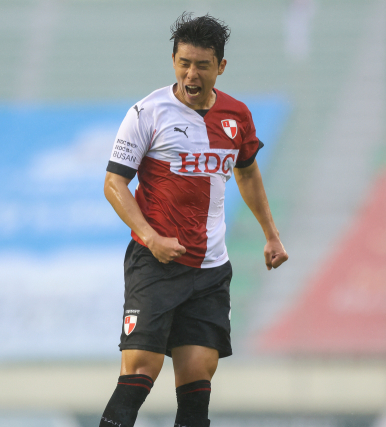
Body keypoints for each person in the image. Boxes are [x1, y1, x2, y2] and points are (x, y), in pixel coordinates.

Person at [101, 12, 288, 427]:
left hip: (210, 269)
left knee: (197, 378)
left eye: (202, 65)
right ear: (173, 61)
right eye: (184, 63)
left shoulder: (237, 116)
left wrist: (271, 235)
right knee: (141, 369)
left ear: (220, 67)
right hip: (156, 263)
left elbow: (247, 173)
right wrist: (151, 238)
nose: (191, 74)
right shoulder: (147, 113)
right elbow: (114, 184)